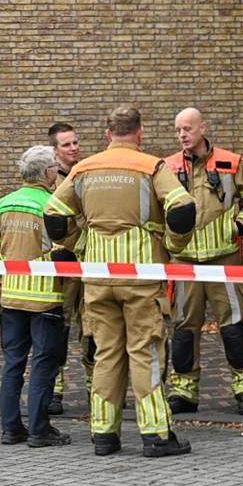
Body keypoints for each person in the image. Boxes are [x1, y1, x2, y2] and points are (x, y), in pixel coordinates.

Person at [44, 105, 197, 458]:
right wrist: (172, 247)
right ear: (140, 133)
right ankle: (157, 435)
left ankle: (104, 434)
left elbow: (53, 215)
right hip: (141, 277)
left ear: (107, 134)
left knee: (107, 354)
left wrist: (79, 244)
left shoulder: (83, 168)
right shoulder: (151, 166)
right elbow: (182, 210)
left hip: (97, 279)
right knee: (145, 353)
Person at [165, 107, 243, 416]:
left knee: (232, 327)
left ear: (203, 128)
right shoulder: (167, 167)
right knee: (183, 329)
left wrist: (241, 226)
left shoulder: (229, 162)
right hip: (184, 262)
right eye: (178, 129)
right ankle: (183, 390)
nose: (182, 135)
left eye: (187, 129)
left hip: (224, 260)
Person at [0, 145, 74, 447]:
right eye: (56, 171)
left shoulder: (3, 205)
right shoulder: (52, 205)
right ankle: (39, 429)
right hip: (45, 298)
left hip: (10, 299)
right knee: (44, 364)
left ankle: (11, 429)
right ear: (49, 173)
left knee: (13, 363)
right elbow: (64, 255)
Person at [46, 120, 86, 418]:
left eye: (75, 142)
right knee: (59, 327)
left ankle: (95, 384)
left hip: (88, 260)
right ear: (54, 150)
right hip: (61, 262)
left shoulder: (85, 173)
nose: (74, 148)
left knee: (93, 328)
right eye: (67, 144)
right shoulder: (47, 180)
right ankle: (54, 389)